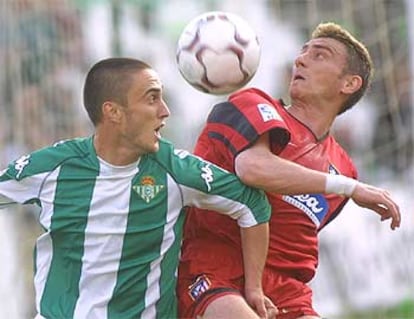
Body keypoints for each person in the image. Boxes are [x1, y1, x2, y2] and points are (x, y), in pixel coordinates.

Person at [0, 57, 274, 319]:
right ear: (113, 112)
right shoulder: (55, 166)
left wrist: (253, 288)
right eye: (152, 98)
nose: (165, 111)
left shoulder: (175, 171)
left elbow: (252, 204)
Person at [177, 22, 401, 319]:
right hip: (215, 269)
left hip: (285, 290)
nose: (300, 59)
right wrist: (348, 187)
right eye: (303, 52)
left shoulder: (343, 167)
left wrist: (345, 184)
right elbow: (253, 168)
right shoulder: (252, 103)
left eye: (319, 55)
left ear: (349, 84)